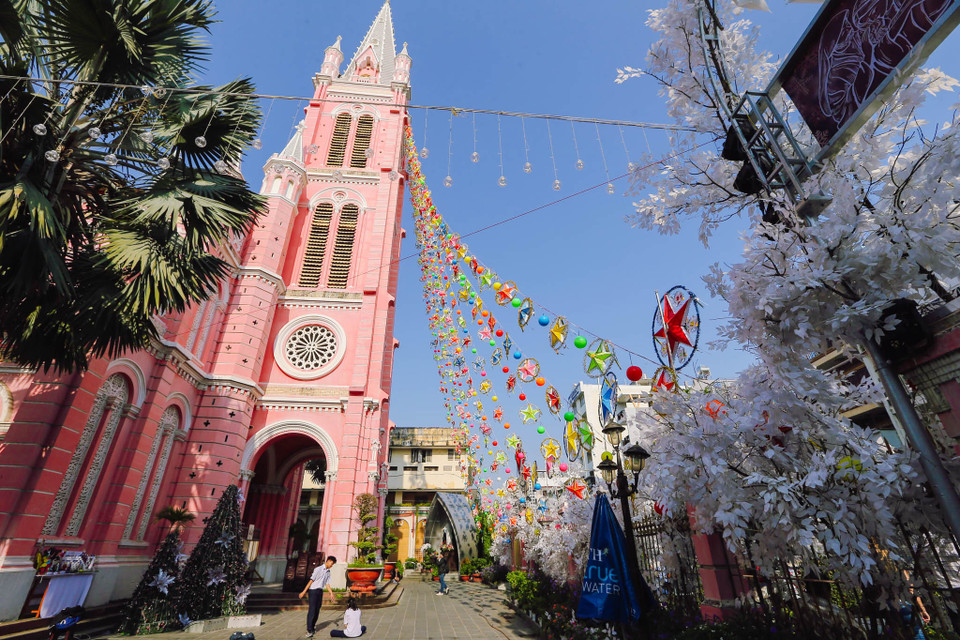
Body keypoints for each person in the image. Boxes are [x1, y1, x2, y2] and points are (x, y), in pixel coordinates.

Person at [299, 556, 337, 638]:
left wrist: (331, 593)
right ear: (329, 561)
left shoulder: (328, 572)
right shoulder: (318, 569)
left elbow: (327, 583)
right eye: (332, 563)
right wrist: (304, 592)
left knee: (317, 610)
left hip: (320, 591)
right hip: (313, 591)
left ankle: (312, 627)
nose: (332, 565)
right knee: (312, 610)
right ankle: (309, 630)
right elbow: (311, 581)